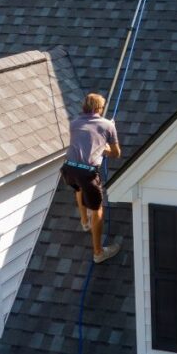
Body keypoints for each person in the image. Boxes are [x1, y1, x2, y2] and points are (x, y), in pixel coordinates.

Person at [61, 93, 122, 263]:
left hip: (69, 169)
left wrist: (101, 141)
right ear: (97, 108)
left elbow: (86, 139)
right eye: (101, 108)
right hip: (87, 172)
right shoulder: (107, 125)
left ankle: (84, 222)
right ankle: (98, 252)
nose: (102, 111)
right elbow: (116, 154)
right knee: (97, 209)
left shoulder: (74, 124)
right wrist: (106, 145)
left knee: (79, 188)